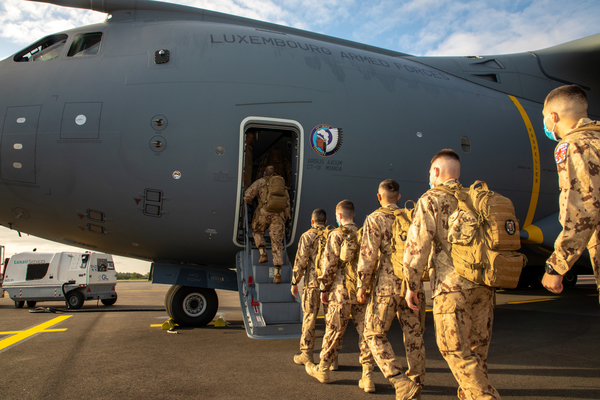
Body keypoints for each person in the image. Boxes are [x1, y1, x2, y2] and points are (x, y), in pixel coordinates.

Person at [404, 149, 500, 400]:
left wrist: (411, 286)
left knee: (453, 349)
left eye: (430, 172)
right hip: (483, 284)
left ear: (435, 172)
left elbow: (418, 246)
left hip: (451, 286)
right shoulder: (476, 197)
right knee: (477, 353)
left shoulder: (431, 198)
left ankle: (485, 397)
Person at [355, 180, 425, 400]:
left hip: (387, 285)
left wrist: (362, 286)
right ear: (399, 197)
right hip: (411, 284)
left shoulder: (374, 219)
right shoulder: (410, 217)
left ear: (379, 197)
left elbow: (368, 256)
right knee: (414, 334)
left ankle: (399, 380)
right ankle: (416, 381)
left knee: (373, 332)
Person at [305, 200, 376, 392]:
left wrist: (324, 289)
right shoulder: (363, 234)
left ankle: (325, 369)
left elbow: (329, 265)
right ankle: (368, 376)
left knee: (334, 331)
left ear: (339, 217)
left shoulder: (335, 235)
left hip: (340, 293)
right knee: (366, 335)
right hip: (362, 293)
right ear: (353, 214)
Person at [540, 84, 600, 296]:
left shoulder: (574, 145)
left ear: (553, 116)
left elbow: (582, 209)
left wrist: (556, 265)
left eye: (545, 116)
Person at [291, 209, 329, 365]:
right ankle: (332, 358)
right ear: (325, 222)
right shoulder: (331, 235)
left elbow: (301, 261)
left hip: (312, 283)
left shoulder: (307, 236)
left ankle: (306, 354)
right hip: (329, 284)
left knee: (309, 317)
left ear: (312, 221)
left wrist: (295, 282)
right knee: (332, 321)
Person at [243, 165, 290, 283]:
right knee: (277, 243)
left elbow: (248, 196)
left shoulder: (260, 182)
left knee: (257, 231)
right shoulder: (281, 185)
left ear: (264, 173)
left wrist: (249, 204)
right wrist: (284, 219)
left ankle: (263, 253)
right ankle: (277, 274)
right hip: (278, 217)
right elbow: (287, 204)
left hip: (263, 213)